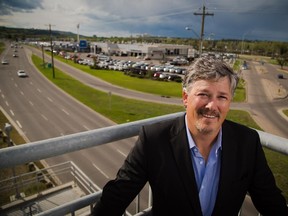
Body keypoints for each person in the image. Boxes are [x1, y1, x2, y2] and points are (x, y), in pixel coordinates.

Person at [92, 56, 288, 216]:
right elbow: (115, 199)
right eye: (204, 94)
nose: (212, 106)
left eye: (222, 97)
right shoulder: (154, 140)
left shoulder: (247, 142)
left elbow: (271, 202)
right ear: (185, 98)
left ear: (229, 102)